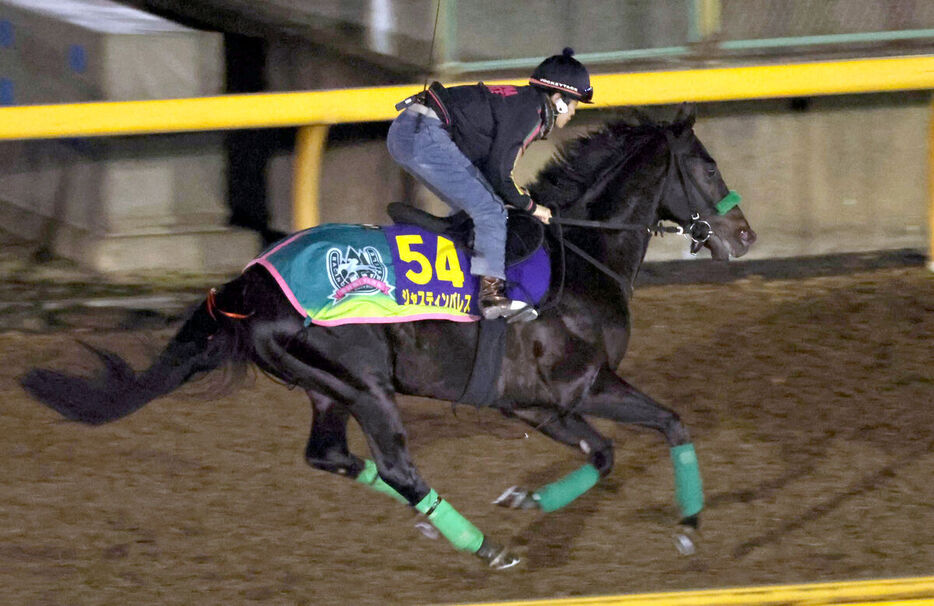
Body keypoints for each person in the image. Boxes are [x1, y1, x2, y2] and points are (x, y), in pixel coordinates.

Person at [387, 47, 592, 320]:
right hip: (422, 132)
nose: (574, 112)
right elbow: (500, 174)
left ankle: (458, 279)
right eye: (575, 103)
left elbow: (494, 173)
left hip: (413, 129)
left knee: (481, 205)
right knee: (490, 210)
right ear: (559, 100)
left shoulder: (524, 103)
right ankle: (491, 296)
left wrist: (514, 199)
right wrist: (532, 208)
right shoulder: (532, 114)